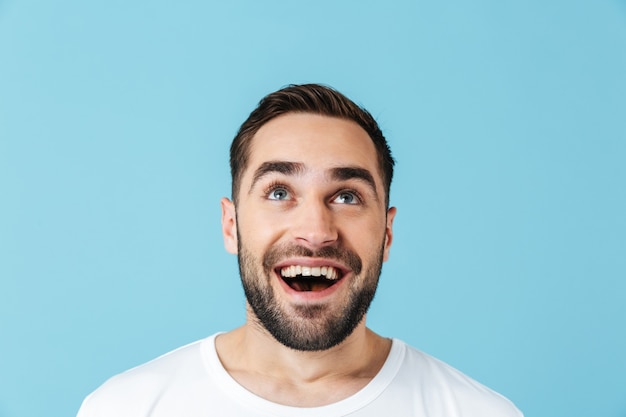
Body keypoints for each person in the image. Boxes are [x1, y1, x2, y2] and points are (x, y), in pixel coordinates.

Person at [77, 84, 523, 416]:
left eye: (346, 195)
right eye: (278, 192)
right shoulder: (124, 408)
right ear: (231, 225)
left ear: (386, 235)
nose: (315, 232)